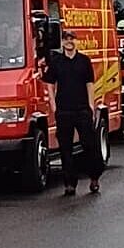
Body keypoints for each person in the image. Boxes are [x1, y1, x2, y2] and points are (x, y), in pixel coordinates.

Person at [42, 30, 104, 195]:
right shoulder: (56, 62)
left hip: (82, 109)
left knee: (89, 145)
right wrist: (53, 106)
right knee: (65, 149)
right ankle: (70, 183)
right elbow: (49, 83)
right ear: (62, 42)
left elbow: (89, 83)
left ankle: (94, 177)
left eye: (72, 39)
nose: (69, 42)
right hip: (64, 111)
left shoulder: (84, 61)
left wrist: (91, 105)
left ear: (76, 41)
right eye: (66, 39)